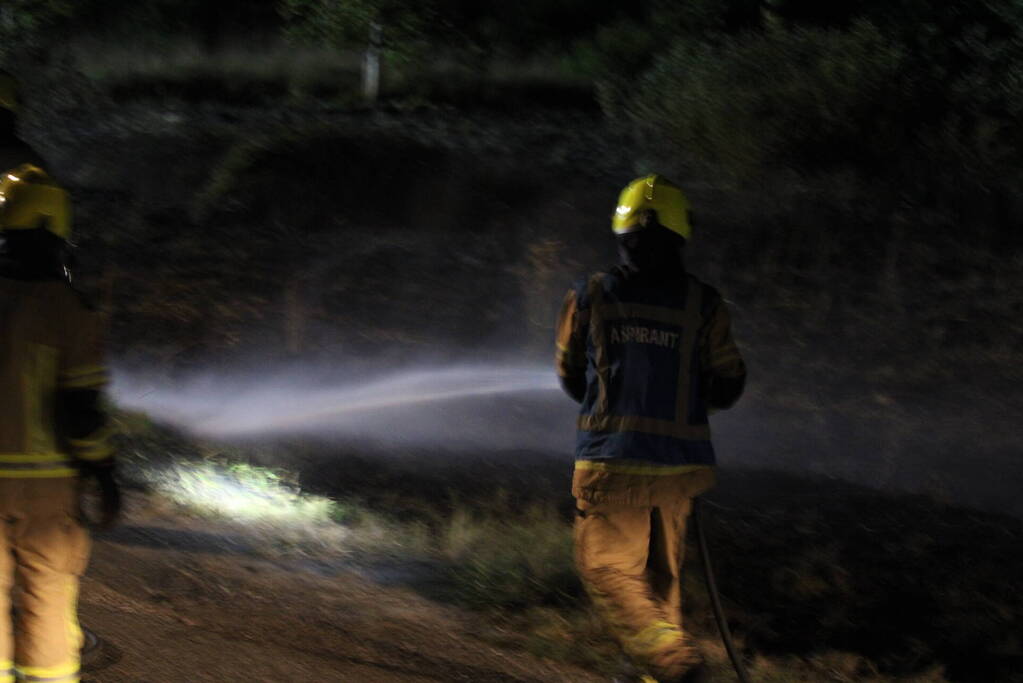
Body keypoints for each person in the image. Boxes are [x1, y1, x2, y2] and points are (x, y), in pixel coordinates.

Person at [554, 174, 746, 683]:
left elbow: (571, 375)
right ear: (681, 238)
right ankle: (647, 674)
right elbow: (729, 385)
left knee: (609, 571)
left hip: (612, 464)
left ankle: (673, 665)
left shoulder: (591, 295)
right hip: (679, 471)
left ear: (623, 236)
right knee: (660, 586)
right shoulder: (704, 305)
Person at [0, 73, 118, 683]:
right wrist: (104, 470)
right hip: (45, 491)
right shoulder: (70, 312)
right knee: (45, 607)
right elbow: (80, 408)